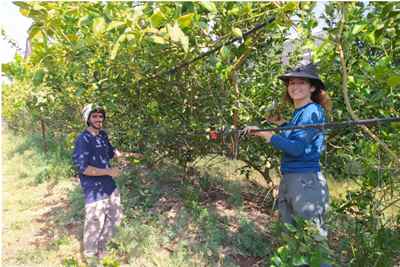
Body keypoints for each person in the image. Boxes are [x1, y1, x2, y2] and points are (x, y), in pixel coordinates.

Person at [244, 63, 331, 237]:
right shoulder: (300, 113)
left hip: (306, 182)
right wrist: (281, 124)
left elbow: (297, 148)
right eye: (291, 83)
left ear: (312, 87)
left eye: (301, 83)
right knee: (292, 240)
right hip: (292, 179)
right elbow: (295, 136)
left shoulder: (312, 110)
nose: (295, 87)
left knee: (312, 242)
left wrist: (266, 134)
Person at [72, 103, 141, 260]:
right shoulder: (83, 139)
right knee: (94, 223)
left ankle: (103, 248)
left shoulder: (102, 135)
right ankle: (90, 257)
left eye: (100, 116)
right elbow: (83, 168)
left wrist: (128, 155)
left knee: (116, 217)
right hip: (94, 189)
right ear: (87, 119)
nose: (98, 119)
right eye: (94, 116)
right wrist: (109, 171)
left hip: (109, 186)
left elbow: (111, 151)